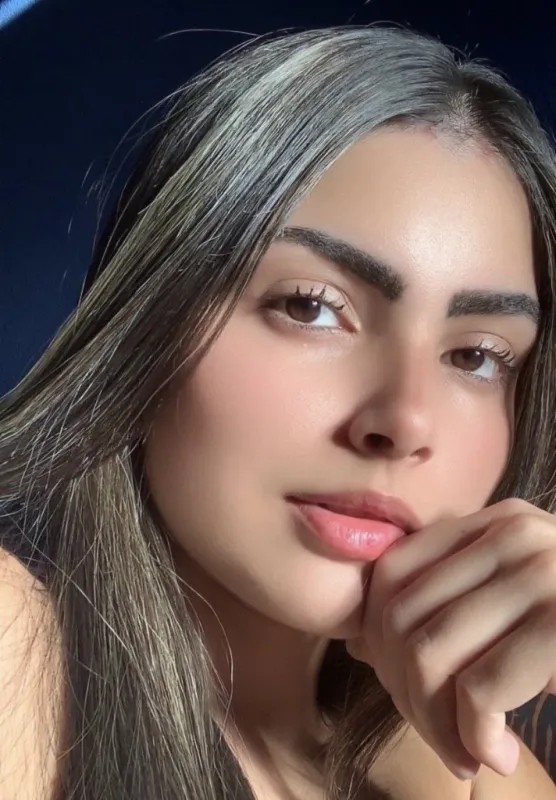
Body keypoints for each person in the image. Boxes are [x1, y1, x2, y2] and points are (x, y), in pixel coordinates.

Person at [1, 23, 556, 800]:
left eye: (476, 357)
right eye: (310, 307)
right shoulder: (15, 650)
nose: (404, 421)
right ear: (150, 313)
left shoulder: (477, 777)